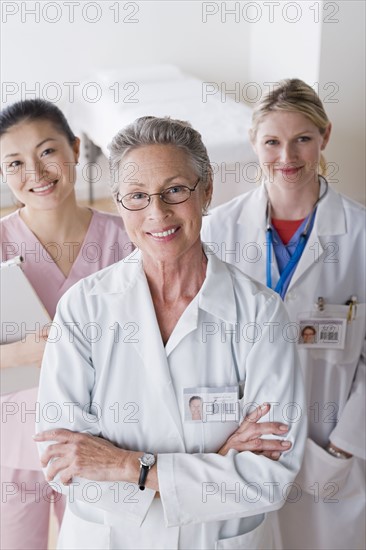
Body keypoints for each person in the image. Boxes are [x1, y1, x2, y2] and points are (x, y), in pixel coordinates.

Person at [35, 116, 307, 550]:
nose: (157, 213)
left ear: (207, 189)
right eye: (137, 197)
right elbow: (65, 462)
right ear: (119, 203)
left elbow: (268, 478)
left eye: (175, 190)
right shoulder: (83, 308)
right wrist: (215, 466)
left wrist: (131, 467)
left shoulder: (260, 315)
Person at [202, 79, 366, 550]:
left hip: (328, 445)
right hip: (241, 442)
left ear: (325, 137)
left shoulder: (358, 234)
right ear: (254, 142)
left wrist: (344, 444)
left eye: (303, 139)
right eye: (272, 141)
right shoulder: (218, 232)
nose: (287, 157)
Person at [0, 99, 132, 550]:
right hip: (13, 445)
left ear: (76, 149)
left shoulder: (126, 239)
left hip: (100, 442)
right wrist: (21, 353)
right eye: (14, 162)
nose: (35, 172)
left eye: (47, 151)